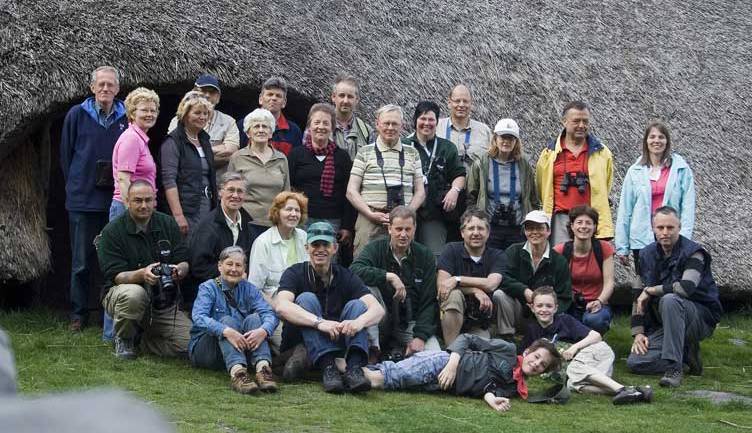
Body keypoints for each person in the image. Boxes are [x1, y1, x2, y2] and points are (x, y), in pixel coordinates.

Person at [274, 222, 385, 393]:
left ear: (334, 248)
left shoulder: (346, 275)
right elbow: (281, 306)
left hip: (337, 339)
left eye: (325, 244)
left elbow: (378, 309)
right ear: (306, 248)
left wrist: (359, 323)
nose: (320, 249)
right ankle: (328, 367)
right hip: (300, 338)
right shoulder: (294, 273)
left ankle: (354, 370)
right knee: (306, 299)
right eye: (315, 244)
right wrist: (319, 323)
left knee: (357, 306)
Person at [60, 66, 128, 332]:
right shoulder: (77, 115)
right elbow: (67, 155)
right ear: (91, 88)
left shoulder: (127, 117)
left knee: (110, 260)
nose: (105, 89)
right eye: (100, 85)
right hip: (82, 199)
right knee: (81, 261)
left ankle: (107, 313)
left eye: (110, 85)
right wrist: (76, 183)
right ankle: (78, 314)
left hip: (114, 199)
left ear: (118, 89)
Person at [627, 206, 722, 388]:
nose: (665, 232)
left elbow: (685, 288)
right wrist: (638, 333)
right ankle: (686, 353)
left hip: (698, 318)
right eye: (660, 228)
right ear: (653, 228)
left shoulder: (695, 253)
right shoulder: (645, 254)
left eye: (670, 228)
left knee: (670, 299)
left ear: (679, 227)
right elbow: (637, 295)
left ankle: (674, 369)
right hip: (667, 323)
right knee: (635, 362)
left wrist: (651, 290)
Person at [96, 181, 192, 360]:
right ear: (127, 201)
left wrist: (178, 270)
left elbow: (184, 261)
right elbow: (115, 275)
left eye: (148, 200)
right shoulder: (112, 231)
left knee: (190, 345)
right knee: (134, 294)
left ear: (155, 200)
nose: (144, 205)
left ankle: (142, 341)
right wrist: (142, 274)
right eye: (138, 200)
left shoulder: (167, 223)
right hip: (123, 294)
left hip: (162, 301)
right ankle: (124, 339)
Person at [360, 335, 562, 412]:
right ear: (527, 352)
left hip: (441, 386)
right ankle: (341, 370)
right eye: (536, 357)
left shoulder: (515, 388)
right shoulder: (507, 349)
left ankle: (343, 370)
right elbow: (468, 338)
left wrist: (492, 400)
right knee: (379, 380)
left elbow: (488, 388)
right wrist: (452, 363)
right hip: (441, 363)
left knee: (387, 378)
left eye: (542, 365)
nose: (536, 364)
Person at [520, 287, 652, 405]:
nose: (544, 309)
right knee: (572, 384)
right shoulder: (532, 331)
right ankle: (634, 390)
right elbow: (522, 356)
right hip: (588, 370)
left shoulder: (565, 320)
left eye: (548, 306)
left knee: (574, 369)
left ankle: (621, 389)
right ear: (532, 308)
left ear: (555, 308)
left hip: (598, 352)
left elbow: (596, 336)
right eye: (539, 306)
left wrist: (574, 348)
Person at [350, 206, 440, 361]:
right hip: (379, 321)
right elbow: (354, 271)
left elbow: (429, 301)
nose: (403, 234)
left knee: (436, 359)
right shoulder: (375, 248)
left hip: (410, 324)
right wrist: (388, 276)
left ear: (415, 229)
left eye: (408, 229)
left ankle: (399, 350)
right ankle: (373, 350)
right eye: (398, 229)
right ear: (389, 228)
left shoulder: (425, 256)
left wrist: (420, 337)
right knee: (367, 289)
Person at [189, 246, 278, 394]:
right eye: (229, 264)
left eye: (238, 265)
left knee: (255, 319)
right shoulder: (207, 288)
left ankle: (263, 370)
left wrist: (263, 330)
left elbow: (269, 313)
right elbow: (198, 317)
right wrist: (225, 331)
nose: (234, 269)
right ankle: (238, 374)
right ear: (219, 266)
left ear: (244, 269)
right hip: (208, 351)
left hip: (239, 348)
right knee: (226, 321)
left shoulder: (250, 289)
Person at [615, 120, 696, 277]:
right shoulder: (635, 171)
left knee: (670, 280)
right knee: (646, 281)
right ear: (646, 141)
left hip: (670, 234)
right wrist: (622, 246)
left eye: (661, 137)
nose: (656, 141)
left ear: (667, 141)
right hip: (642, 236)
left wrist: (684, 237)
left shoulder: (681, 169)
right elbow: (625, 209)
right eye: (652, 137)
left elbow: (688, 206)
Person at [347, 104, 426, 256]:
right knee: (364, 264)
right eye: (386, 123)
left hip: (403, 224)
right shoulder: (364, 152)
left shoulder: (412, 153)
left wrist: (406, 214)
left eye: (395, 123)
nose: (390, 127)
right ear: (377, 124)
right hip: (370, 220)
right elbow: (351, 191)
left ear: (402, 126)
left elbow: (420, 192)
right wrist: (369, 213)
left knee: (402, 264)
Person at [536, 101, 614, 246]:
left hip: (590, 220)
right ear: (564, 122)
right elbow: (541, 186)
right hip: (560, 220)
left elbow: (606, 184)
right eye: (576, 121)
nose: (581, 125)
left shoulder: (602, 153)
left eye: (585, 121)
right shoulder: (549, 154)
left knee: (590, 266)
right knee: (560, 264)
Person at [288, 103, 356, 254]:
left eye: (326, 123)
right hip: (302, 219)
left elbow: (349, 192)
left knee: (328, 261)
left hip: (333, 221)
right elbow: (289, 188)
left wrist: (347, 226)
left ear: (332, 127)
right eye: (316, 122)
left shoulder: (342, 157)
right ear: (309, 126)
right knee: (302, 258)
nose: (321, 127)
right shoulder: (296, 154)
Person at [403, 101, 466, 256]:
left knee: (433, 256)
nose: (427, 123)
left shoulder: (447, 147)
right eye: (423, 119)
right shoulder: (403, 145)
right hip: (405, 210)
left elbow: (459, 174)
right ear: (415, 120)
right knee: (404, 252)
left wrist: (454, 190)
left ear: (437, 122)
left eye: (431, 120)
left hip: (434, 213)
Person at [467, 118, 539, 251]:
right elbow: (471, 195)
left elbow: (532, 197)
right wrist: (476, 220)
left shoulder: (524, 165)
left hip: (517, 228)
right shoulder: (482, 163)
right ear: (495, 139)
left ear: (516, 142)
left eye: (511, 138)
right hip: (489, 227)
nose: (506, 142)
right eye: (502, 137)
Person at [437, 208, 506, 344]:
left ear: (488, 233)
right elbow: (442, 287)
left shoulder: (498, 256)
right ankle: (450, 348)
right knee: (453, 295)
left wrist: (457, 279)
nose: (476, 233)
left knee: (478, 349)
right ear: (462, 233)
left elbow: (491, 284)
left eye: (480, 228)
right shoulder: (450, 250)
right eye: (470, 228)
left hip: (479, 322)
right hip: (449, 318)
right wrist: (475, 290)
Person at [497, 210, 572, 335]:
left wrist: (544, 308)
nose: (534, 232)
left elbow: (565, 297)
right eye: (530, 228)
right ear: (525, 231)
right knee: (499, 295)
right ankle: (507, 336)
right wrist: (524, 291)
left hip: (545, 317)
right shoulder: (513, 251)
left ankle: (543, 335)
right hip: (518, 310)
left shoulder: (559, 261)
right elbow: (502, 277)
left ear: (548, 231)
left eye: (539, 228)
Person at [188, 172, 257, 301]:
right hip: (210, 294)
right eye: (231, 190)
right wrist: (231, 274)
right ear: (220, 192)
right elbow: (199, 268)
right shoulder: (207, 227)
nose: (235, 195)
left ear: (245, 196)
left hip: (241, 291)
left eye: (240, 191)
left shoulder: (249, 223)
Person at [161, 91, 218, 236]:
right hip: (187, 210)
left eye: (206, 113)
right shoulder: (173, 142)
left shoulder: (204, 140)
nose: (203, 117)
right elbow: (169, 181)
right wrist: (178, 216)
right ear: (185, 114)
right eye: (197, 113)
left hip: (207, 206)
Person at [553, 205, 615, 334]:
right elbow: (554, 283)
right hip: (569, 303)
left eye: (588, 223)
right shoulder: (560, 251)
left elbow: (609, 283)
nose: (584, 226)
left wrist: (599, 301)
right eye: (579, 222)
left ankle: (597, 335)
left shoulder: (604, 248)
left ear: (595, 227)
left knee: (595, 320)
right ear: (572, 226)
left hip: (596, 303)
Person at [168, 74, 240, 181]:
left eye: (212, 92)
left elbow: (230, 153)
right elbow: (175, 152)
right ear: (194, 93)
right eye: (203, 91)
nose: (207, 95)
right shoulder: (178, 121)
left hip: (219, 186)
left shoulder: (228, 121)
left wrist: (193, 152)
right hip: (187, 183)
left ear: (218, 98)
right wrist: (217, 149)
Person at [228, 108, 290, 233]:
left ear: (271, 132)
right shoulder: (238, 157)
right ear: (248, 133)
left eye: (265, 127)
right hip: (246, 224)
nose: (261, 130)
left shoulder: (281, 158)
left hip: (275, 225)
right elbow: (229, 192)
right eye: (256, 126)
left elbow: (286, 194)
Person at [110, 87, 160, 221]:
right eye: (144, 110)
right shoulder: (131, 139)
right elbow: (123, 179)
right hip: (129, 209)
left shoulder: (140, 139)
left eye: (153, 110)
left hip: (140, 208)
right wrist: (131, 214)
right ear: (132, 113)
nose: (150, 114)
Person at [248, 192, 309, 301]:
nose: (293, 214)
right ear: (277, 212)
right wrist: (276, 306)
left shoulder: (304, 237)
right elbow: (254, 288)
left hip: (302, 300)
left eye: (297, 210)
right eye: (288, 209)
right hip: (273, 303)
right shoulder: (263, 242)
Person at [238, 76, 302, 154]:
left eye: (278, 96)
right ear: (260, 99)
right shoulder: (243, 125)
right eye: (270, 94)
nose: (274, 98)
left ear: (284, 102)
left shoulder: (294, 131)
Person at [436, 84, 492, 168]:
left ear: (471, 104)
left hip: (473, 181)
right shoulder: (435, 127)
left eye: (465, 101)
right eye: (457, 101)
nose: (461, 105)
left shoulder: (484, 131)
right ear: (449, 103)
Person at [330, 74, 373, 159]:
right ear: (333, 97)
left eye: (350, 96)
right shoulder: (319, 127)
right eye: (342, 95)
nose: (345, 101)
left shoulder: (367, 132)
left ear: (356, 100)